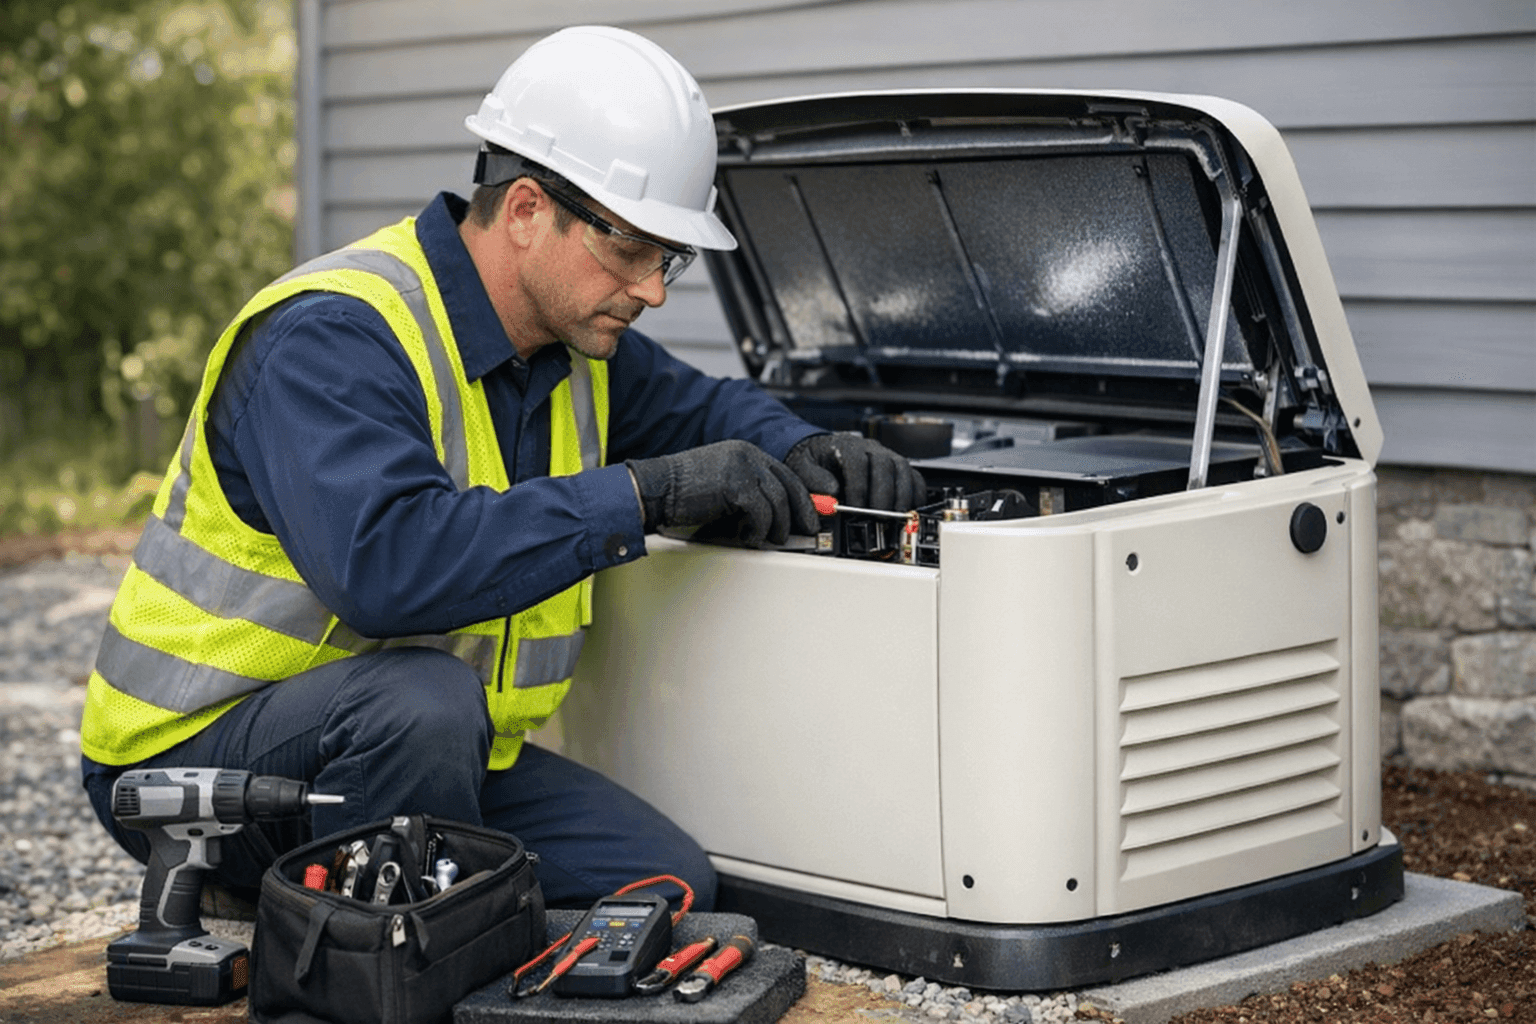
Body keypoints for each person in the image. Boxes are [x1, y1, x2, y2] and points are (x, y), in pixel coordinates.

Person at [77, 25, 923, 912]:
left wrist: (798, 445)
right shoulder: (331, 338)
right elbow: (389, 569)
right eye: (631, 249)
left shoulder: (574, 348)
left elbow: (705, 409)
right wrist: (646, 496)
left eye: (665, 259)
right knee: (423, 704)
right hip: (198, 762)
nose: (655, 290)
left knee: (663, 885)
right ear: (525, 210)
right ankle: (340, 941)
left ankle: (377, 901)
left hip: (422, 747)